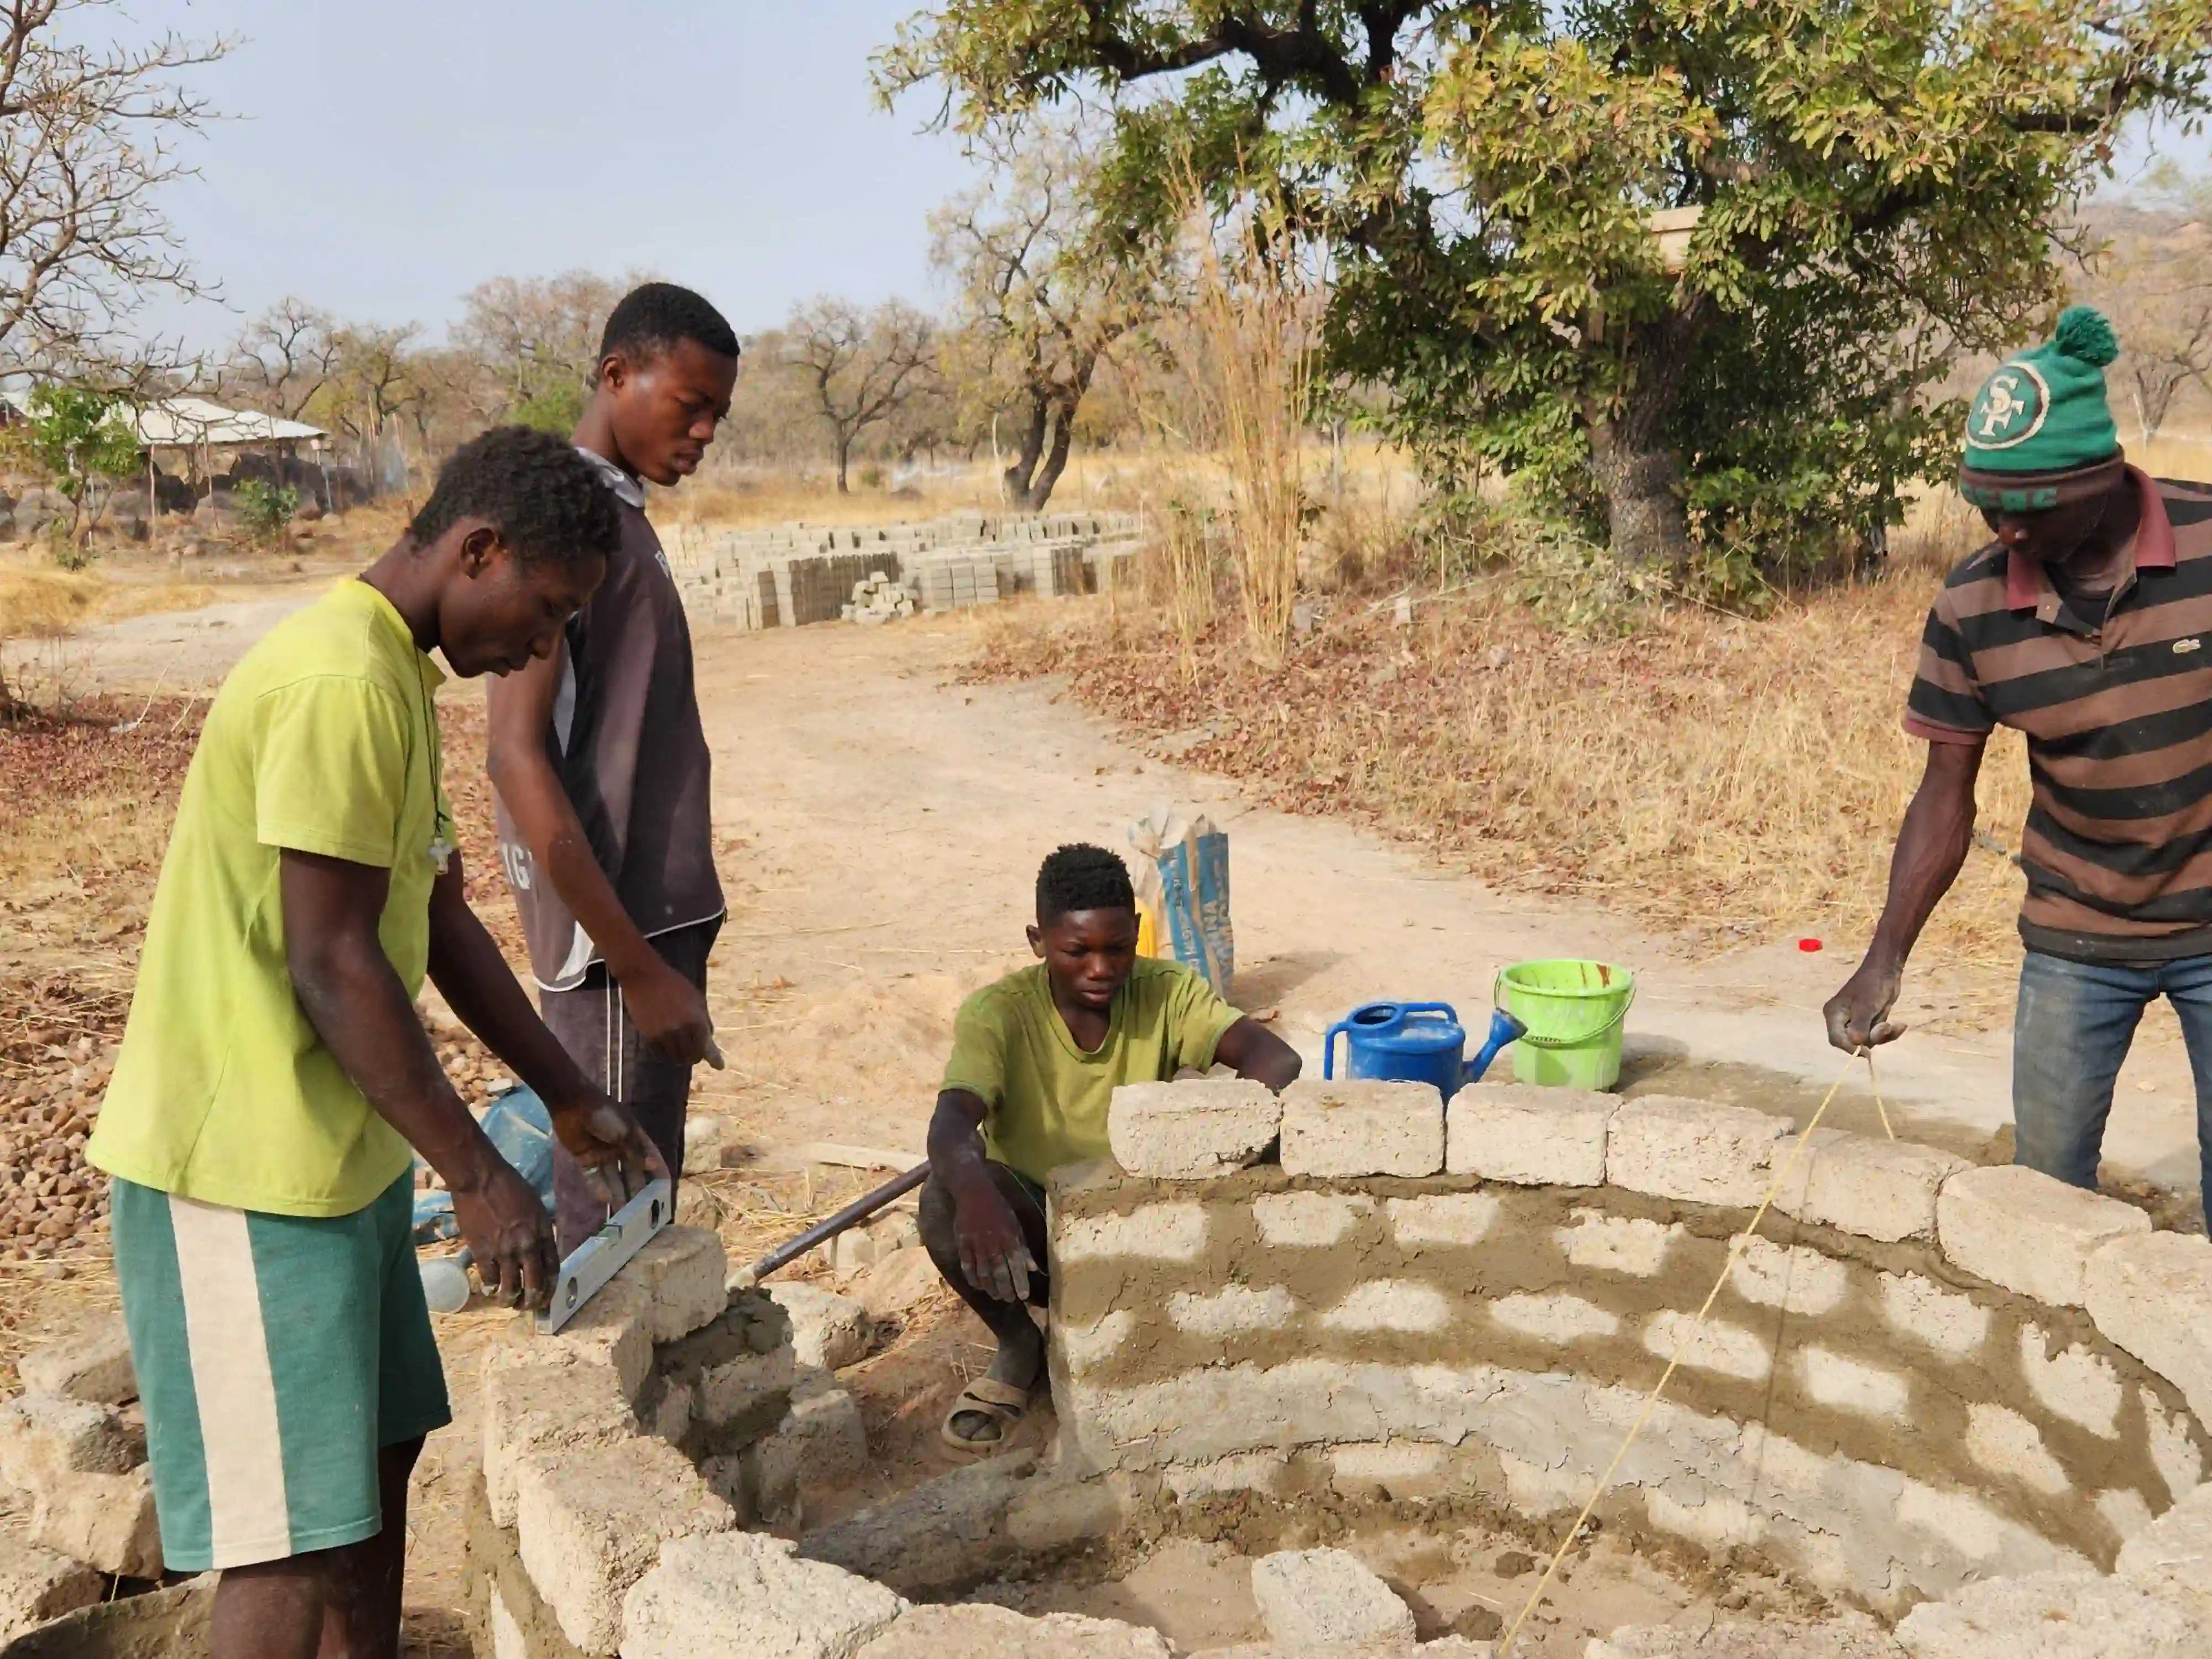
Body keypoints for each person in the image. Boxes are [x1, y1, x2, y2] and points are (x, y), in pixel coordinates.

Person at [85, 426, 666, 1659]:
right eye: (547, 611)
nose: (543, 648)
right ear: (478, 549)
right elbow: (332, 960)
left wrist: (563, 1092)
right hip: (240, 1175)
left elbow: (436, 909)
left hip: (336, 1161)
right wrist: (476, 1173)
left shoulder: (393, 672)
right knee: (285, 1549)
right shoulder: (336, 682)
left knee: (378, 1459)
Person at [1825, 305, 2212, 1218]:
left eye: (2031, 511)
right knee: (2042, 1207)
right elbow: (1942, 798)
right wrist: (1884, 958)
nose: (2008, 534)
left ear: (2106, 476)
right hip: (2078, 936)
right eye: (1989, 508)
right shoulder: (1973, 607)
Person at [487, 281, 740, 1254]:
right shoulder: (563, 524)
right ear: (615, 376)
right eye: (691, 405)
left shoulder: (618, 515)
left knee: (644, 1205)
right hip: (613, 943)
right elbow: (516, 758)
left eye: (718, 412)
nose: (707, 431)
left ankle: (660, 1391)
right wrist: (635, 964)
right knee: (614, 1227)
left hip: (649, 926)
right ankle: (610, 1404)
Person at [920, 843, 1302, 1452]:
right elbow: (951, 1121)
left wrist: (1207, 1134)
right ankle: (1022, 1344)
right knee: (943, 1200)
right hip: (1034, 1236)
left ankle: (1143, 1338)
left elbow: (1274, 1058)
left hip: (1144, 1226)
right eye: (1077, 951)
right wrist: (972, 1189)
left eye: (1117, 947)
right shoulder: (998, 1014)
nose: (1101, 968)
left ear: (1136, 936)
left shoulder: (1169, 991)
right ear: (1037, 941)